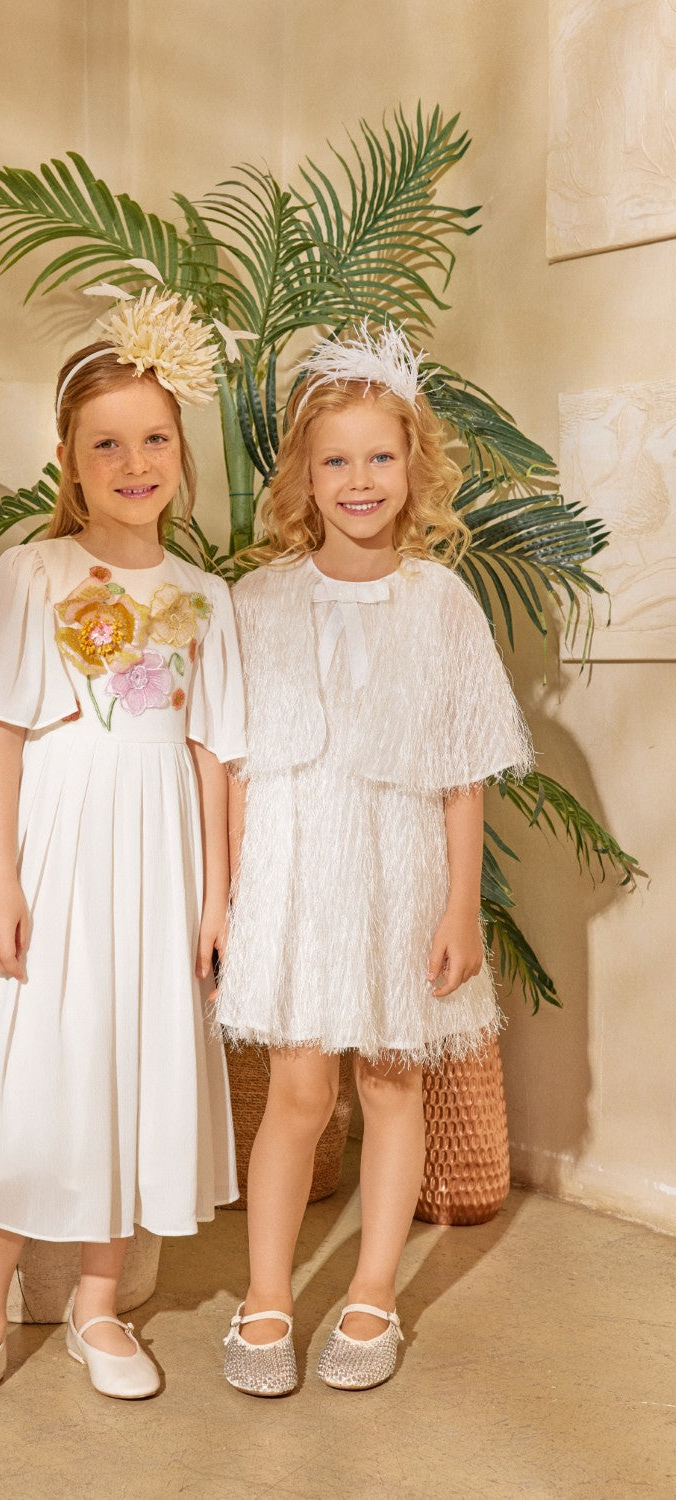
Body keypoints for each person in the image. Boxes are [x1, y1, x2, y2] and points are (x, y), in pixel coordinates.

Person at [0, 288, 244, 1427]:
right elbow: (0, 740)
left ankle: (101, 1308)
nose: (134, 463)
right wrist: (0, 882)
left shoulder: (207, 598)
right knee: (25, 1077)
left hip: (162, 864)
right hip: (55, 853)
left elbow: (213, 757)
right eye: (107, 444)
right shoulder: (31, 575)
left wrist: (218, 898)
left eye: (154, 439)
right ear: (69, 460)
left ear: (180, 452)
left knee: (131, 1067)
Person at [216, 324, 532, 1396]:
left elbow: (464, 771)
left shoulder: (442, 602)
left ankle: (373, 1291)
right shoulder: (256, 603)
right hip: (291, 873)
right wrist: (229, 899)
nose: (360, 480)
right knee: (298, 1091)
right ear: (304, 477)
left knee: (393, 1081)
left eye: (380, 457)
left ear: (413, 466)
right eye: (337, 460)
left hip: (401, 872)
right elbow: (230, 766)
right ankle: (267, 1296)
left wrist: (458, 908)